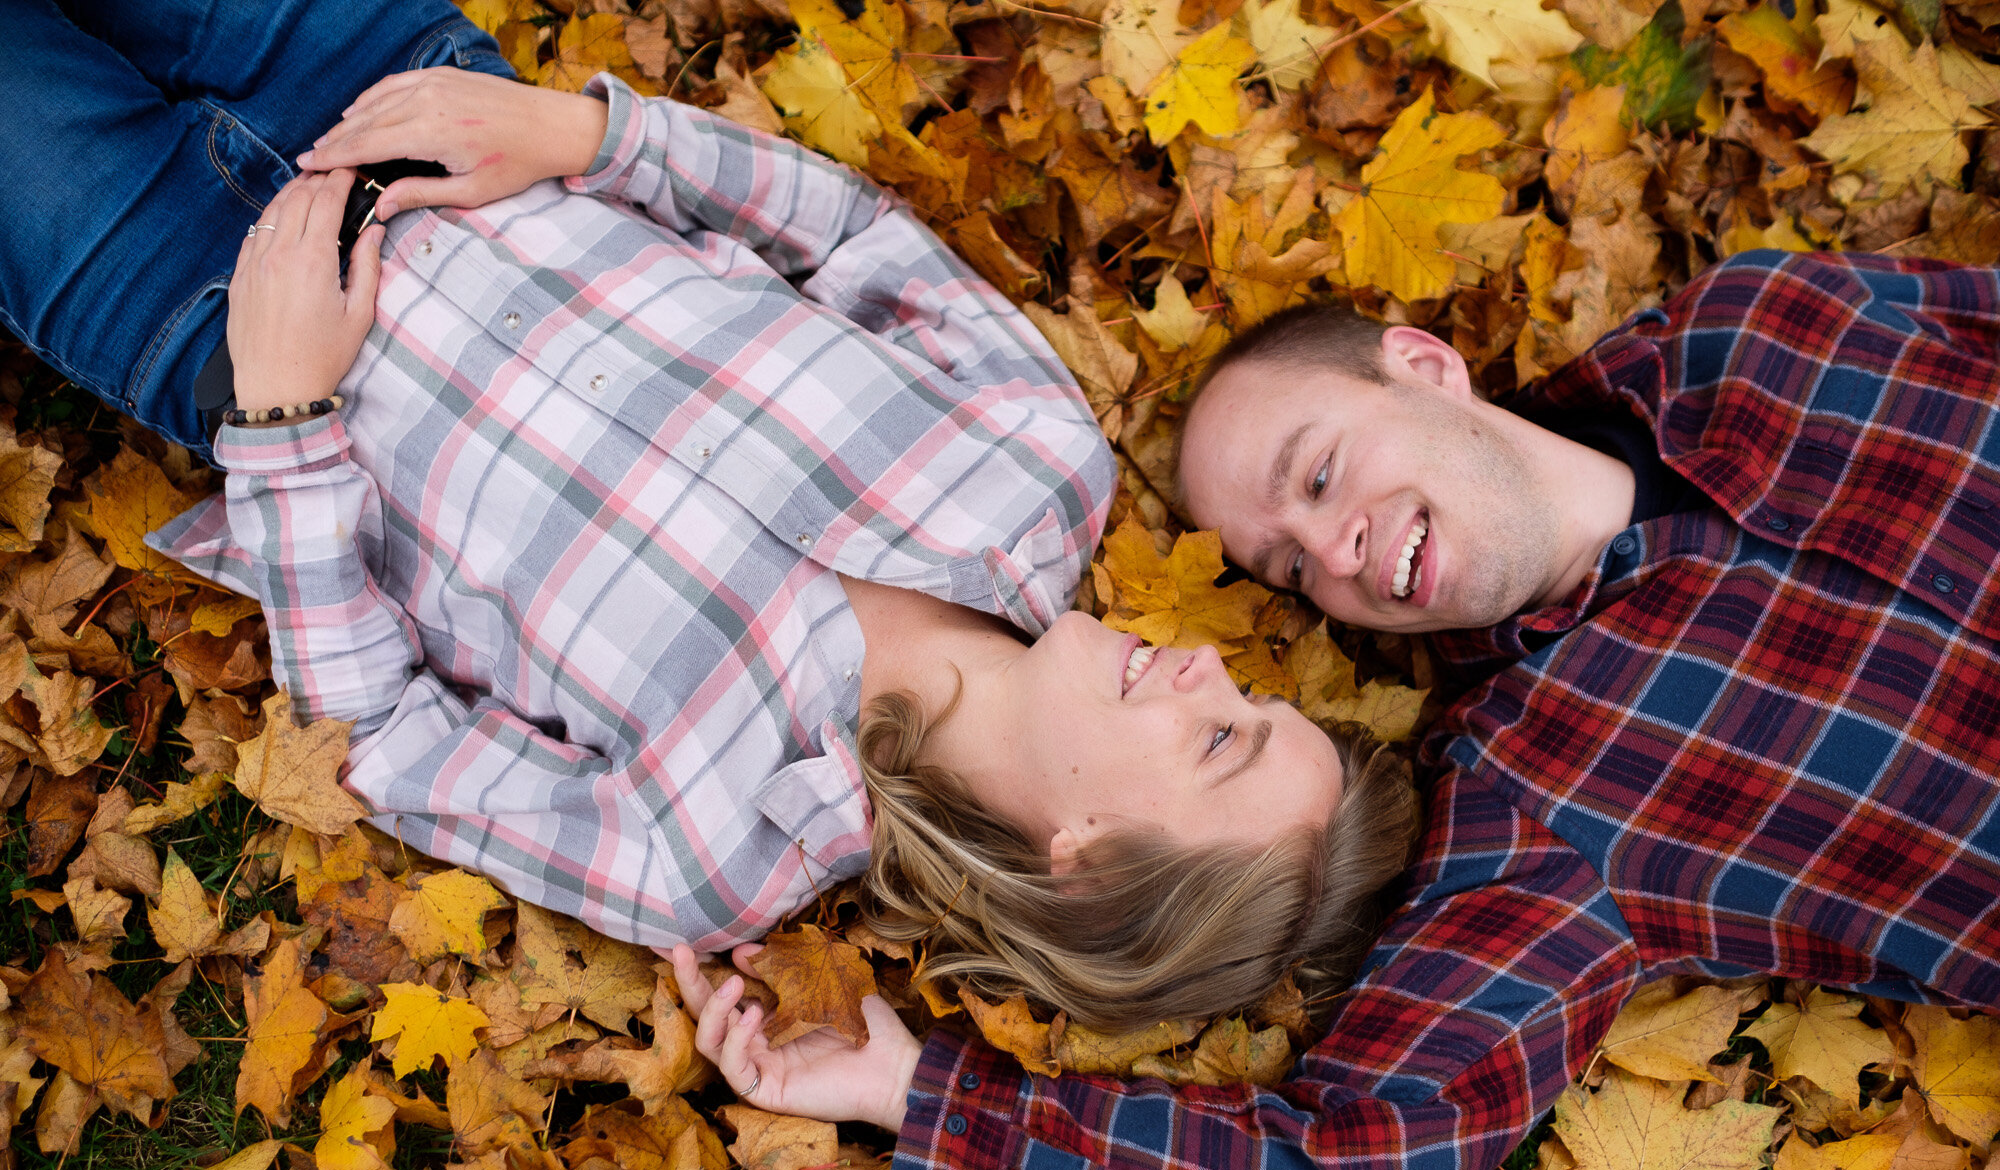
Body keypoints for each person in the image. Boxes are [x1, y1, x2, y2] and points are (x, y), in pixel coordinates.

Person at [0, 0, 1421, 1035]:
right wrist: (582, 130)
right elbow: (856, 241)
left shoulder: (709, 852)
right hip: (394, 81)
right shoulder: (1040, 465)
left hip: (190, 296)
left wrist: (286, 423)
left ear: (1093, 852)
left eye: (1221, 735)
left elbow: (386, 741)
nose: (1203, 665)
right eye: (1246, 696)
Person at [680, 248, 2000, 1170]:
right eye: (1292, 568)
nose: (1337, 550)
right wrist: (922, 1092)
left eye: (1317, 473)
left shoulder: (1764, 323)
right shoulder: (1544, 794)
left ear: (1423, 366)